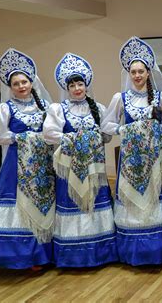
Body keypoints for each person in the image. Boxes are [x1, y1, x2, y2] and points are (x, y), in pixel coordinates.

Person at [0, 48, 54, 269]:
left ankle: (44, 252)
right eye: (16, 84)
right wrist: (21, 136)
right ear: (10, 87)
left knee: (43, 203)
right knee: (18, 207)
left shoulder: (44, 107)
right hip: (17, 165)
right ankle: (22, 256)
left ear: (31, 82)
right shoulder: (3, 109)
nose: (22, 86)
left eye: (24, 82)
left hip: (43, 164)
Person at [101, 36, 162, 266]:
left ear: (148, 72)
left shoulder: (159, 97)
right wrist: (126, 129)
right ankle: (132, 251)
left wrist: (156, 128)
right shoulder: (120, 98)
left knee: (156, 199)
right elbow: (106, 125)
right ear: (128, 73)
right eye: (133, 72)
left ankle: (158, 251)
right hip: (131, 163)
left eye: (141, 71)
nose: (137, 75)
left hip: (154, 160)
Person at [43, 52, 119, 267]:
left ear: (86, 85)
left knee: (96, 202)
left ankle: (101, 253)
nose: (77, 88)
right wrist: (73, 137)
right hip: (70, 170)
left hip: (95, 169)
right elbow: (49, 134)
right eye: (72, 85)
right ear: (66, 88)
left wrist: (92, 137)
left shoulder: (99, 108)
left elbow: (106, 135)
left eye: (80, 84)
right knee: (73, 204)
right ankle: (73, 256)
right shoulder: (58, 109)